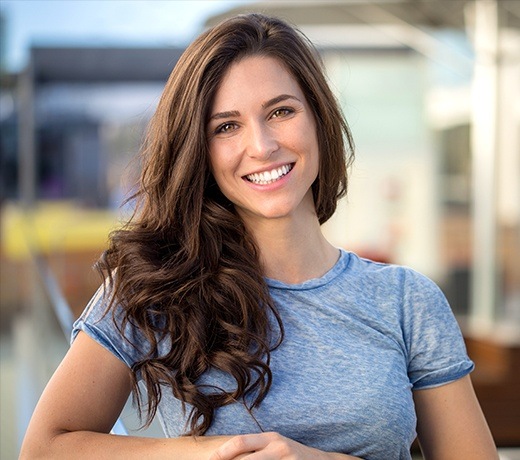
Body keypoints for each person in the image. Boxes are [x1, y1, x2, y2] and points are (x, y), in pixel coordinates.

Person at [20, 13, 497, 460]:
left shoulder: (407, 301)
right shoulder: (154, 286)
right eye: (227, 126)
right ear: (199, 151)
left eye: (281, 111)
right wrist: (212, 452)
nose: (262, 146)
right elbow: (45, 447)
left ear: (318, 117)